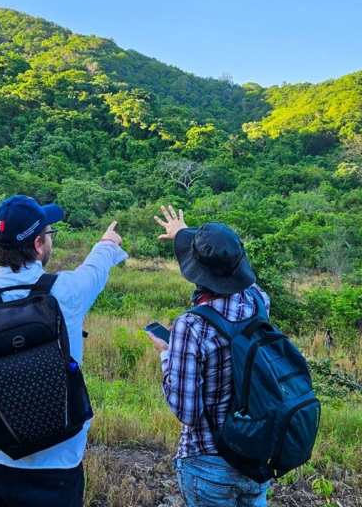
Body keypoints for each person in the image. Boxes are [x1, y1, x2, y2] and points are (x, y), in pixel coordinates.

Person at [0, 195, 127, 507]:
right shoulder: (67, 290)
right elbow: (95, 268)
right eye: (49, 234)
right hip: (58, 468)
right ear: (39, 244)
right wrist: (108, 243)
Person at [146, 205, 271, 507]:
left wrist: (167, 354)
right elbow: (224, 262)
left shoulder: (191, 325)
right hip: (256, 455)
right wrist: (183, 233)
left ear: (197, 271)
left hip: (208, 462)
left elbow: (188, 411)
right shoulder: (259, 300)